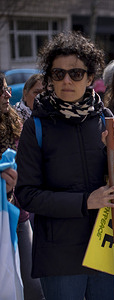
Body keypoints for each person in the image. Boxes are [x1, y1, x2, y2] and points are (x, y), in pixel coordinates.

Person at [15, 31, 114, 300]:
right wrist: (85, 201)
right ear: (49, 78)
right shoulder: (36, 126)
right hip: (59, 258)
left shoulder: (106, 119)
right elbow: (26, 195)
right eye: (58, 74)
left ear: (90, 78)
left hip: (106, 251)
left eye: (76, 74)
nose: (66, 80)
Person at [1, 72, 46, 300]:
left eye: (7, 88)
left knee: (33, 285)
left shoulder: (14, 121)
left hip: (20, 214)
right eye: (1, 90)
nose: (7, 93)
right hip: (4, 213)